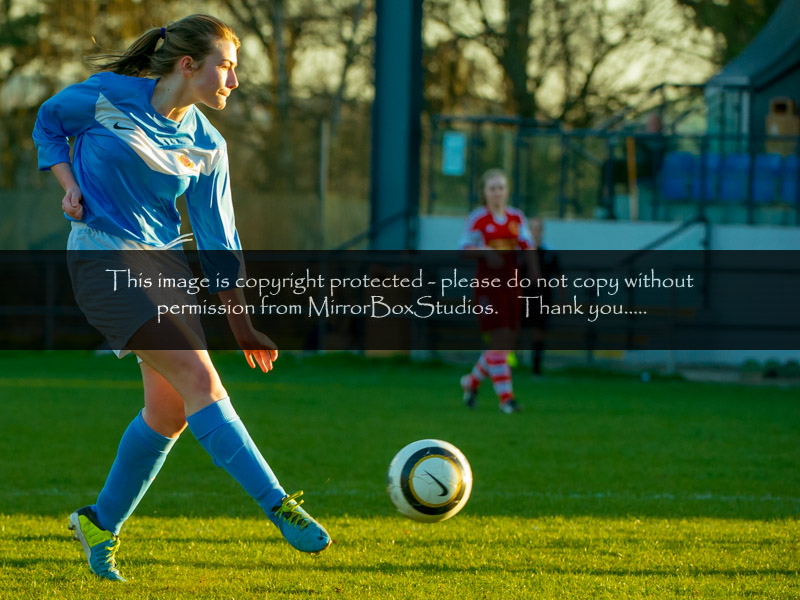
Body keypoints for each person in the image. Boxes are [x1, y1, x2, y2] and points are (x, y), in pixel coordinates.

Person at [32, 14, 330, 583]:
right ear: (188, 65)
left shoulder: (208, 144)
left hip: (166, 271)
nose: (234, 81)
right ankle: (279, 505)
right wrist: (69, 185)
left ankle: (100, 523)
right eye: (226, 67)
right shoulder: (105, 96)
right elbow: (48, 124)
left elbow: (220, 242)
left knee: (169, 413)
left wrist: (242, 325)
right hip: (102, 259)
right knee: (201, 380)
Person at [458, 169, 539, 414]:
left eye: (501, 188)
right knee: (499, 340)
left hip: (511, 285)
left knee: (506, 342)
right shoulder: (478, 219)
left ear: (507, 191)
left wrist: (534, 273)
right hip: (488, 287)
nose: (497, 193)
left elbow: (528, 245)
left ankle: (471, 383)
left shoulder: (516, 217)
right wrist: (485, 251)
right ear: (484, 192)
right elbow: (464, 249)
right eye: (492, 188)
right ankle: (506, 399)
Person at [522, 217, 561, 376]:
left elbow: (559, 276)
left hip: (542, 297)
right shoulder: (520, 252)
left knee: (538, 331)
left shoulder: (549, 253)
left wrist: (562, 300)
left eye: (538, 228)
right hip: (522, 296)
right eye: (532, 228)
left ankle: (536, 368)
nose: (535, 232)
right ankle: (506, 366)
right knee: (512, 331)